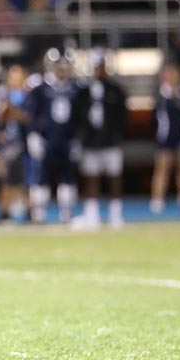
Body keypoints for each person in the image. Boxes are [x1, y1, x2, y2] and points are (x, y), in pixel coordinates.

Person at [72, 51, 129, 229]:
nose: (99, 71)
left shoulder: (116, 91)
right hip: (90, 142)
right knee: (91, 178)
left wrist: (118, 136)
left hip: (111, 141)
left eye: (101, 67)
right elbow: (77, 117)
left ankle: (116, 215)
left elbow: (123, 117)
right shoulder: (83, 92)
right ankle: (92, 215)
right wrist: (80, 138)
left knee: (115, 178)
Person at [26, 49, 81, 224]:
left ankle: (66, 213)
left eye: (64, 66)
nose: (62, 69)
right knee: (41, 177)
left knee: (67, 177)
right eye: (59, 66)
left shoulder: (75, 88)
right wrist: (32, 135)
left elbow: (79, 117)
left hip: (67, 139)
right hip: (45, 139)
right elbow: (30, 114)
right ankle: (38, 215)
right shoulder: (40, 88)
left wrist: (78, 138)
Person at [150, 63, 180, 213]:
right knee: (162, 168)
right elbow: (155, 116)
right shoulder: (161, 94)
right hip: (165, 137)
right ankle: (157, 199)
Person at [0, 65, 30, 224]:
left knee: (27, 178)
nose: (15, 80)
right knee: (5, 178)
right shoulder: (2, 96)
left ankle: (30, 211)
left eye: (18, 77)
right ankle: (4, 211)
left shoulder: (28, 95)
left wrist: (16, 113)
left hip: (25, 142)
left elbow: (29, 118)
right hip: (7, 143)